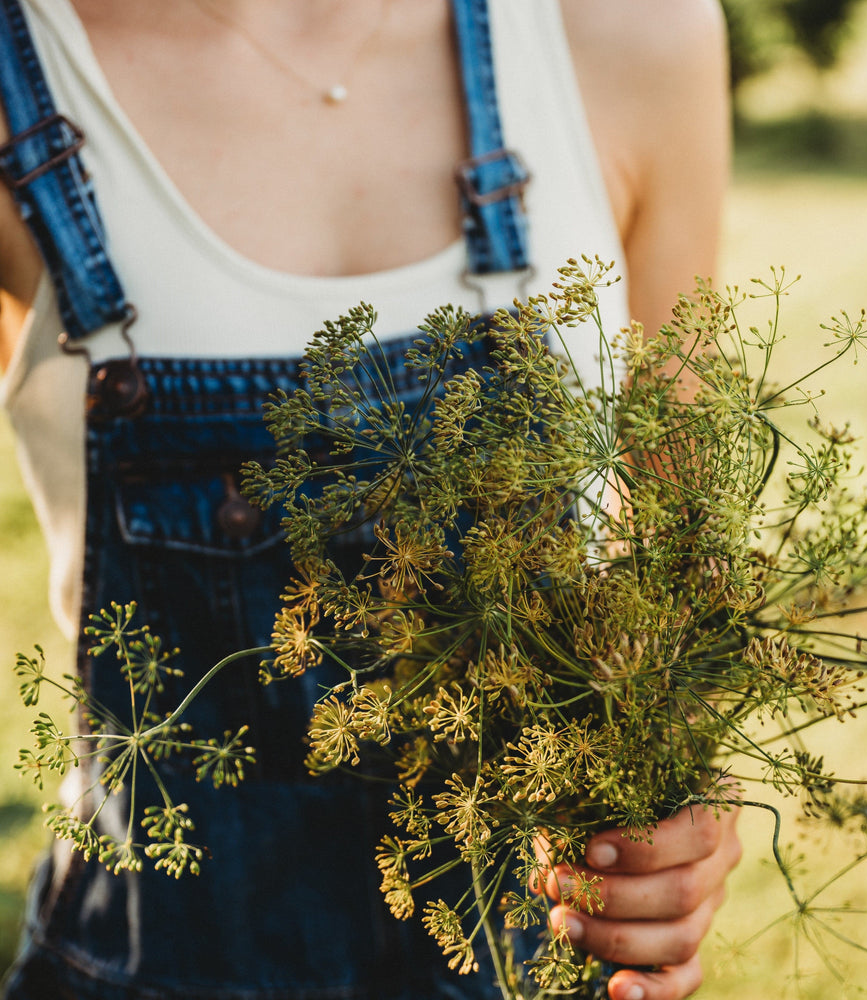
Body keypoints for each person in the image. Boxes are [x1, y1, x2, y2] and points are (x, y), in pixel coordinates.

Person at [0, 1, 740, 999]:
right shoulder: (28, 61)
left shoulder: (627, 33)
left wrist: (678, 818)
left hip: (536, 965)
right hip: (152, 964)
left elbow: (677, 550)